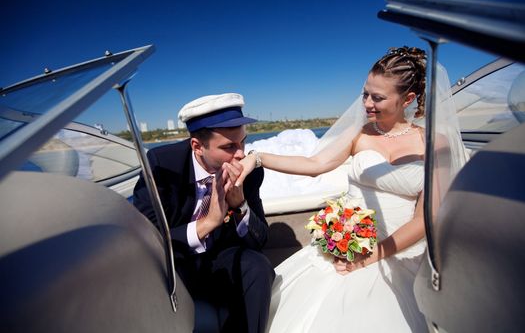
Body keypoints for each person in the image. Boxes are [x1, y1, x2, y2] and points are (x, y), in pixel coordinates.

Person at [238, 47, 467, 332]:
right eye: (365, 94)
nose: (367, 103)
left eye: (378, 97)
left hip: (402, 256)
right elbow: (315, 163)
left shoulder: (435, 143)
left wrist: (370, 257)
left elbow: (426, 219)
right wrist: (257, 158)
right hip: (345, 249)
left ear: (407, 99)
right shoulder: (360, 133)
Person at [133, 93, 275, 333]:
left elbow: (260, 241)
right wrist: (208, 223)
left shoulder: (249, 173)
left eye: (243, 142)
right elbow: (148, 237)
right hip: (175, 263)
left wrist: (240, 206)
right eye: (229, 147)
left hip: (222, 259)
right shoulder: (161, 166)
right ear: (197, 146)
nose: (241, 154)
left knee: (258, 266)